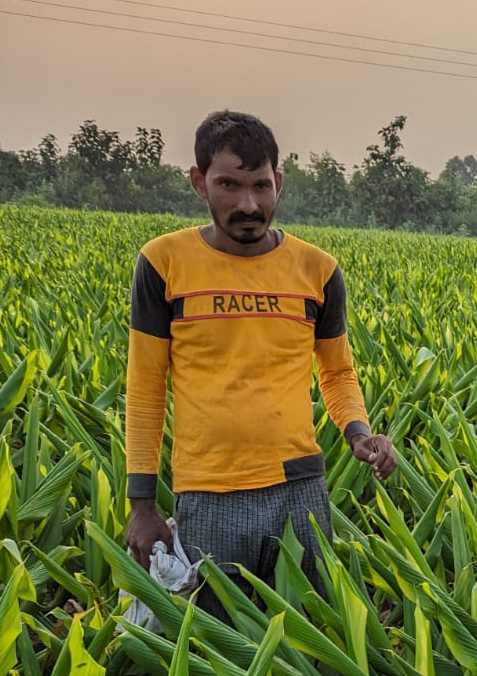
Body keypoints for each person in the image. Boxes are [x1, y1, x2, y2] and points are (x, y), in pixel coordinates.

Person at [123, 110, 395, 608]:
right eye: (229, 185)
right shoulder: (163, 263)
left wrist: (359, 432)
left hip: (300, 487)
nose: (249, 204)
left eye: (262, 186)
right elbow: (144, 388)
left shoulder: (318, 270)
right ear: (199, 182)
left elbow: (335, 372)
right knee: (221, 641)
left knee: (312, 633)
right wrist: (141, 505)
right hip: (210, 492)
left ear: (279, 183)